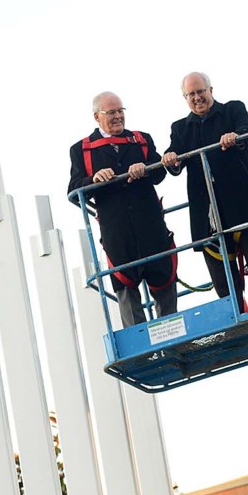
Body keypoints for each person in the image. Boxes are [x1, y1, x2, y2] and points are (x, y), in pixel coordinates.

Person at [161, 72, 248, 311]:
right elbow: (174, 158)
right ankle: (242, 330)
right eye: (191, 94)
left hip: (245, 207)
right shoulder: (180, 128)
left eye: (201, 91)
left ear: (210, 90)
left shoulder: (233, 110)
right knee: (225, 286)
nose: (197, 98)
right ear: (184, 97)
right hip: (208, 217)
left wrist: (236, 136)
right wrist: (170, 158)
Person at [67, 91, 178, 327]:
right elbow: (74, 191)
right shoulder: (81, 150)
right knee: (126, 290)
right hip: (117, 233)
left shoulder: (141, 139)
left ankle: (172, 335)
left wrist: (146, 167)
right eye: (111, 112)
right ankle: (140, 348)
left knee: (164, 282)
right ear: (97, 116)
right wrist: (94, 179)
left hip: (151, 227)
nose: (118, 116)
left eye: (120, 111)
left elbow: (160, 174)